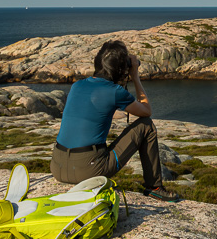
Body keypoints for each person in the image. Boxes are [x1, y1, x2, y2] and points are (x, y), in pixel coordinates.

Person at [52, 39, 181, 202]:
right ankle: (154, 187)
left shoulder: (77, 85)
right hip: (88, 171)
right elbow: (146, 111)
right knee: (146, 125)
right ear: (120, 70)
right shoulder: (114, 91)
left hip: (57, 167)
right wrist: (135, 76)